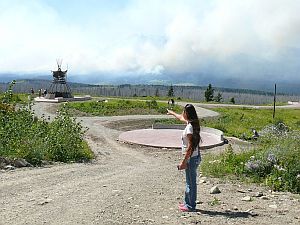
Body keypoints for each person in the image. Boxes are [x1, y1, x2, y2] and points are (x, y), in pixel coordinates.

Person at [167, 104, 201, 212]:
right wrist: (171, 113)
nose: (182, 113)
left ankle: (190, 206)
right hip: (194, 157)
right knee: (189, 181)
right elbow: (180, 117)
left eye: (184, 111)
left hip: (191, 158)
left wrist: (184, 162)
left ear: (187, 113)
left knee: (190, 183)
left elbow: (191, 147)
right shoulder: (192, 123)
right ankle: (187, 203)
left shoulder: (190, 128)